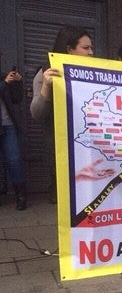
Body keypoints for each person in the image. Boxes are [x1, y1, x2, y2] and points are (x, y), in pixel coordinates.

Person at [30, 26, 94, 203]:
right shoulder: (46, 73)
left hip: (91, 146)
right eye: (85, 48)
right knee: (67, 199)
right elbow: (37, 113)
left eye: (91, 47)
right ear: (69, 49)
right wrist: (46, 86)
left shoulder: (96, 72)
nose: (91, 52)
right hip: (62, 149)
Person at [0, 67, 28, 209]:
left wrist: (18, 82)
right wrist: (4, 83)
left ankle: (21, 196)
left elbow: (16, 99)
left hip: (8, 125)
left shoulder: (3, 77)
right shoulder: (4, 81)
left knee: (14, 160)